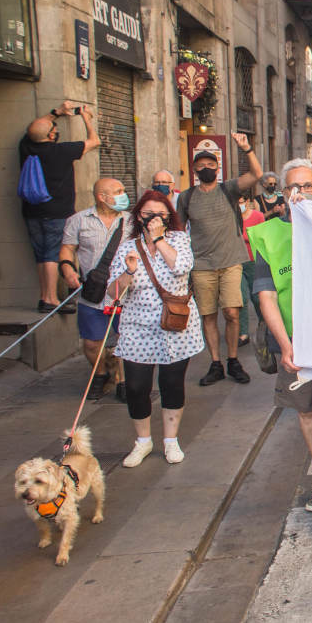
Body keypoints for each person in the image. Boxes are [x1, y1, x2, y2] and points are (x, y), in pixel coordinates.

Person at [250, 158, 312, 526]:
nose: (299, 193)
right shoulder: (267, 235)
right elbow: (266, 296)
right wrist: (285, 345)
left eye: (307, 186)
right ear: (282, 193)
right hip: (290, 342)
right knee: (308, 414)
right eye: (292, 187)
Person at [106, 191, 204, 467]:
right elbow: (114, 291)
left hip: (175, 324)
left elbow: (182, 266)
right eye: (148, 214)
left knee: (171, 383)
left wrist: (159, 239)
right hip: (137, 326)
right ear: (138, 216)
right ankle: (143, 441)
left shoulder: (179, 239)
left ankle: (171, 440)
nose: (154, 219)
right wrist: (128, 272)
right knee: (137, 387)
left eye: (160, 214)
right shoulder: (128, 246)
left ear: (168, 217)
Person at [176, 133, 262, 387]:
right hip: (201, 266)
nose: (206, 169)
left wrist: (246, 149)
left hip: (231, 261)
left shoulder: (228, 189)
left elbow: (256, 174)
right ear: (194, 169)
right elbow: (179, 232)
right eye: (201, 166)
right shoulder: (186, 197)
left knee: (232, 313)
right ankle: (216, 363)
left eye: (210, 165)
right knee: (208, 315)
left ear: (218, 168)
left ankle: (233, 359)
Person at [20, 102, 100, 313]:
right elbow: (94, 141)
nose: (56, 131)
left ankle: (44, 296)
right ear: (51, 136)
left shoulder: (26, 147)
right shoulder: (61, 151)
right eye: (54, 130)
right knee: (53, 253)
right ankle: (51, 299)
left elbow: (37, 128)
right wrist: (86, 119)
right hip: (56, 212)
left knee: (41, 254)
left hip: (31, 211)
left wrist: (57, 113)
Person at [59, 178, 131, 401]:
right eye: (118, 191)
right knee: (92, 342)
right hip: (93, 292)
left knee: (125, 339)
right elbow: (67, 249)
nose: (123, 194)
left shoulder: (131, 221)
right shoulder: (78, 221)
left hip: (125, 292)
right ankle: (99, 374)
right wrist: (68, 269)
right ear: (102, 197)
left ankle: (122, 380)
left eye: (123, 190)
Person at [237, 191, 265, 348]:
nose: (239, 205)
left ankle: (264, 325)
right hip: (237, 261)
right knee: (241, 298)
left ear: (247, 201)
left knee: (257, 297)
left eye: (241, 201)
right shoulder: (232, 217)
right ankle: (243, 333)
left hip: (254, 261)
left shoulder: (258, 216)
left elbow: (262, 238)